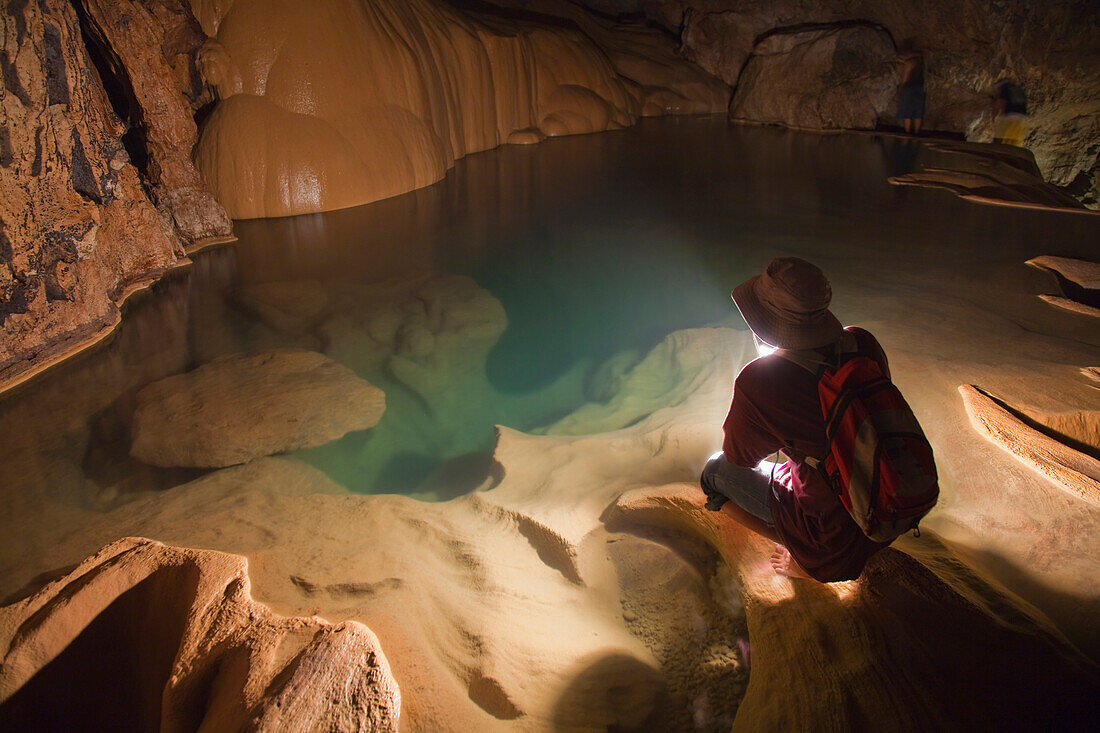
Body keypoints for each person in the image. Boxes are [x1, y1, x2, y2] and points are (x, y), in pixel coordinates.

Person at [699, 258, 894, 582]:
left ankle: (804, 556)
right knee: (806, 462)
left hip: (833, 536)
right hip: (887, 501)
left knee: (714, 473)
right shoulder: (862, 341)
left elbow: (739, 457)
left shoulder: (761, 381)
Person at [896, 47, 925, 135]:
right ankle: (917, 132)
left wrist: (900, 88)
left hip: (908, 87)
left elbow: (905, 76)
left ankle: (907, 132)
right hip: (920, 88)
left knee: (906, 112)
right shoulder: (920, 62)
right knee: (918, 112)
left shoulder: (909, 63)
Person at [992, 79, 1027, 146]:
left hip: (1009, 116)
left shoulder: (1005, 90)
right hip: (1021, 118)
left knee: (1003, 137)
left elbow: (1001, 103)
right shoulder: (1018, 89)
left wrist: (996, 115)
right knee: (1015, 138)